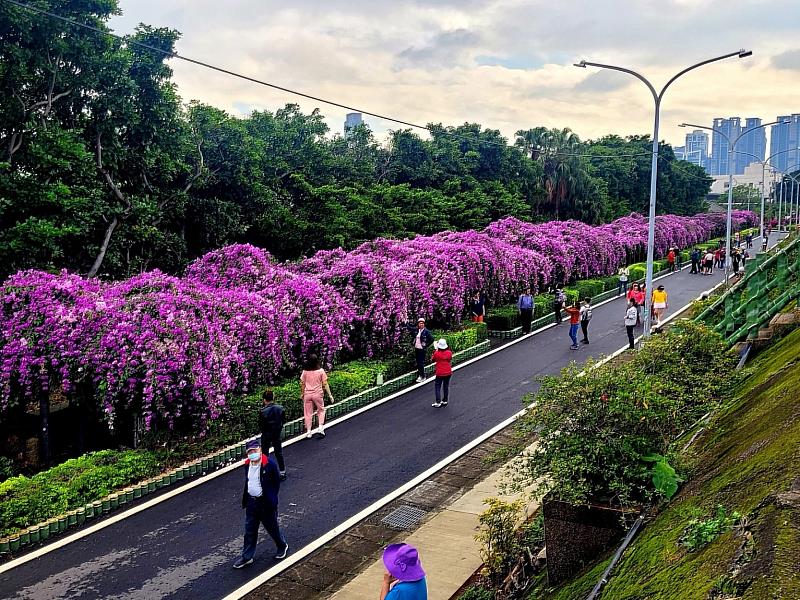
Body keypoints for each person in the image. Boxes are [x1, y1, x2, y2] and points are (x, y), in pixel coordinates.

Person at [232, 440, 288, 568]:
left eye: (255, 450)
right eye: (250, 452)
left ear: (260, 450)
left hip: (265, 503)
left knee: (272, 527)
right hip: (252, 503)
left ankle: (282, 545)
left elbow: (276, 482)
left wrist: (271, 498)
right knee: (250, 530)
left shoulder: (270, 465)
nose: (253, 454)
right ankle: (247, 557)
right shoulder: (247, 465)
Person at [300, 354, 334, 439]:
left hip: (307, 394)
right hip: (317, 394)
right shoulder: (321, 371)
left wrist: (302, 393)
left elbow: (303, 384)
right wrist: (330, 395)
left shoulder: (305, 371)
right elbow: (325, 383)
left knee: (308, 413)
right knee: (321, 410)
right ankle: (320, 428)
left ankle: (308, 432)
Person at [258, 389, 286, 481]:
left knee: (265, 454)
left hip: (266, 434)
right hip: (276, 434)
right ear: (273, 398)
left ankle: (265, 472)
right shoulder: (280, 408)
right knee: (278, 453)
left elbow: (260, 425)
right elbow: (283, 421)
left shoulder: (262, 412)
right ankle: (282, 472)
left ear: (264, 400)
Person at [431, 338, 452, 408]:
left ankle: (438, 402)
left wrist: (435, 350)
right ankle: (445, 400)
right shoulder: (449, 352)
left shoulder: (436, 353)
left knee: (437, 386)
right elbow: (449, 359)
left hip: (440, 373)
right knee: (446, 386)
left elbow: (432, 359)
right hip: (448, 372)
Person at [412, 318, 435, 383]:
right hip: (417, 348)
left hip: (422, 349)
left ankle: (423, 376)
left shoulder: (426, 331)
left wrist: (426, 345)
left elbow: (432, 339)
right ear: (418, 324)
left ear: (424, 324)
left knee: (420, 363)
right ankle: (420, 375)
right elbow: (411, 329)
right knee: (418, 362)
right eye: (420, 323)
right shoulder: (417, 330)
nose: (421, 324)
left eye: (422, 323)